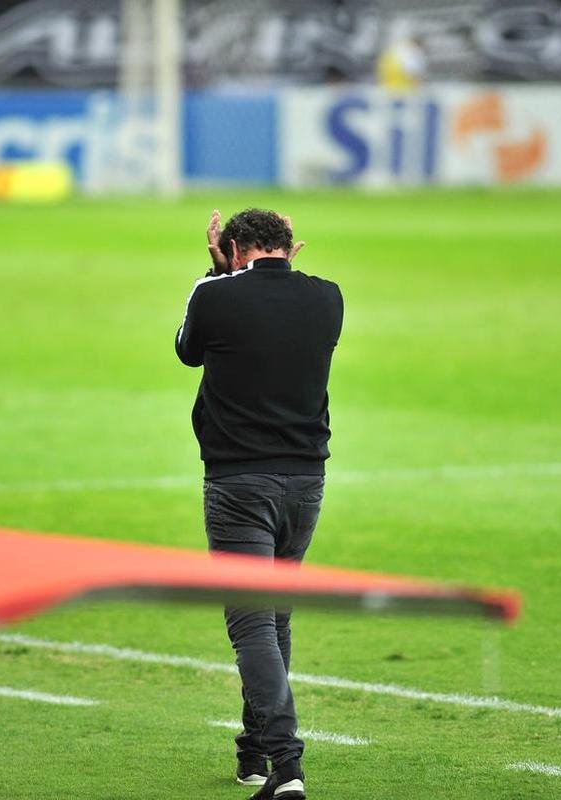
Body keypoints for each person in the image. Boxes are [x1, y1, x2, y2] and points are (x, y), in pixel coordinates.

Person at [175, 208, 344, 800]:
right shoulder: (328, 298)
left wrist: (217, 272)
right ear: (290, 246)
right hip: (306, 481)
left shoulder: (214, 296)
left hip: (237, 483)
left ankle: (286, 763)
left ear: (235, 246)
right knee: (274, 618)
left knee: (250, 623)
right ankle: (253, 753)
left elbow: (187, 352)